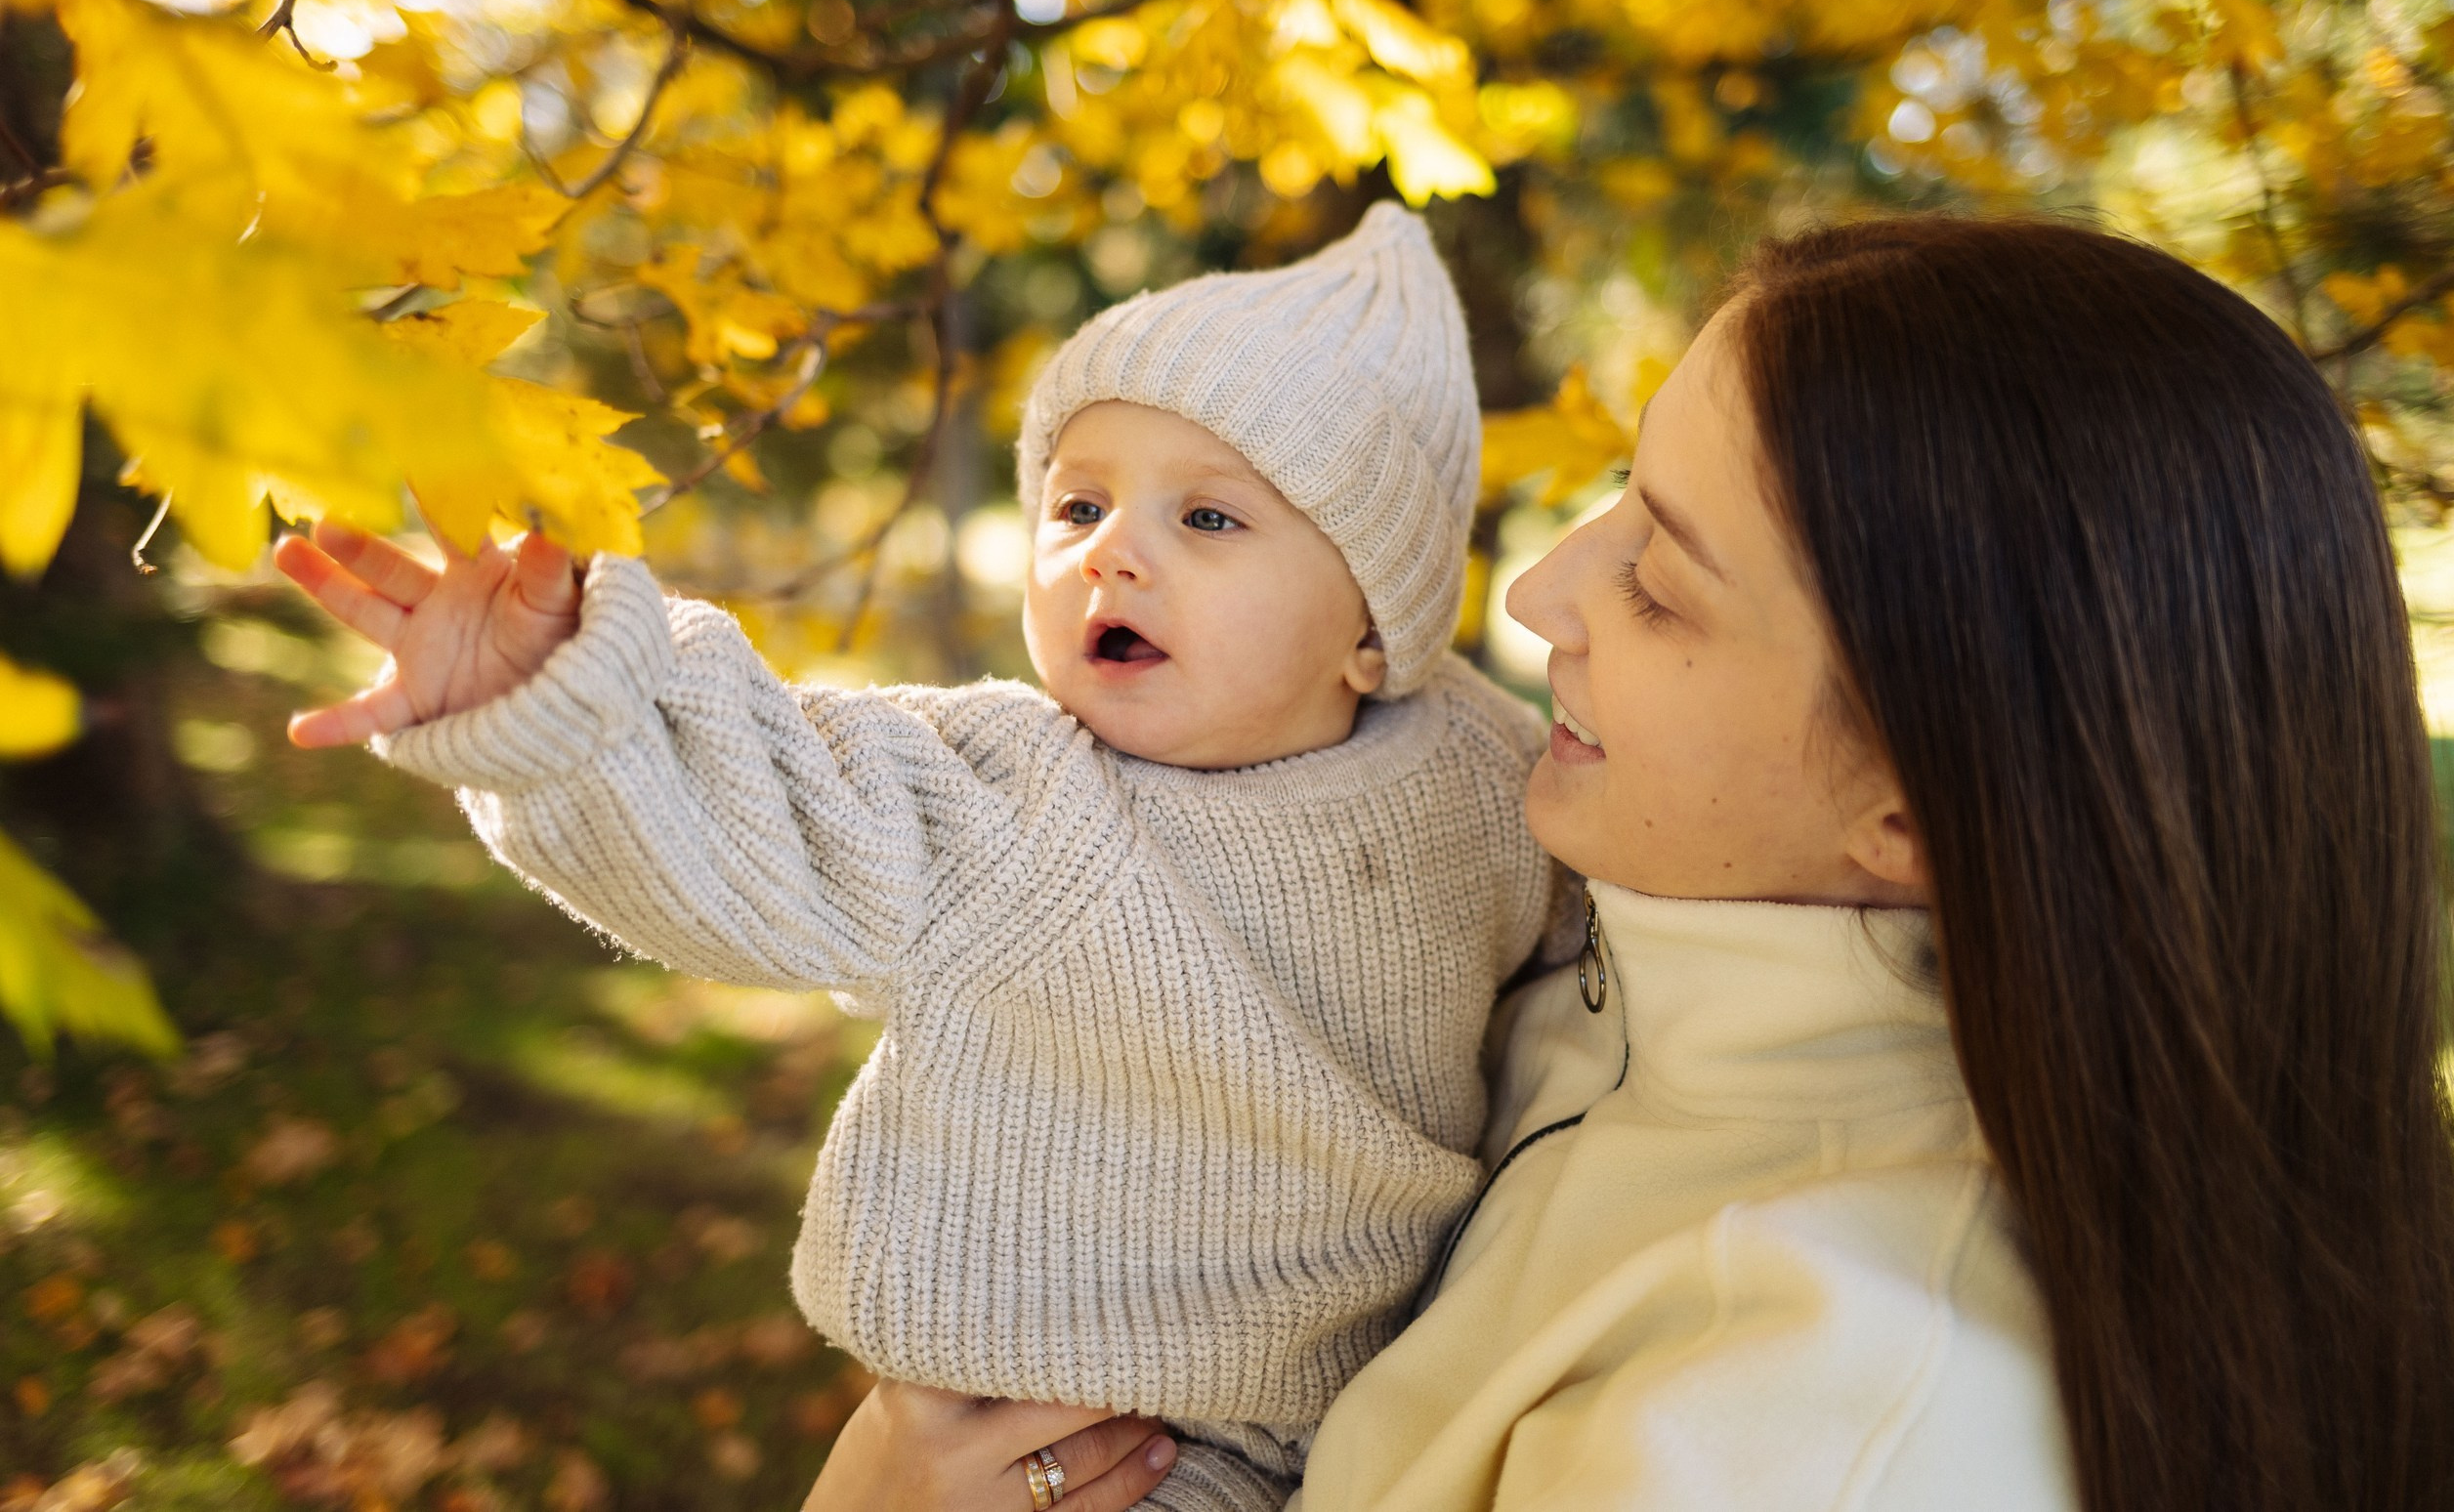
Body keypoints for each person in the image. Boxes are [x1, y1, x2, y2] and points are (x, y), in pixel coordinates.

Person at [813, 215, 2454, 1512]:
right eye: (1622, 494)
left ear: (1910, 813)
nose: (1540, 592)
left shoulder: (1820, 1419)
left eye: (1663, 582)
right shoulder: (1581, 963)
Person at [274, 203, 1571, 1512]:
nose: (1112, 552)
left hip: (1367, 1429)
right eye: (1079, 504)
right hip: (1084, 1444)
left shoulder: (1482, 776)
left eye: (1209, 519)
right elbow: (763, 801)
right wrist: (562, 701)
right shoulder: (1016, 798)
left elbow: (1610, 947)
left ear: (1374, 632)